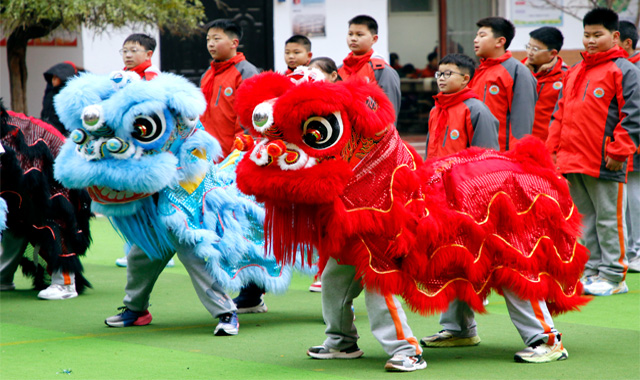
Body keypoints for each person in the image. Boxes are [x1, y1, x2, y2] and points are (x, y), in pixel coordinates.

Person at [546, 7, 640, 296]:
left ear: (615, 36)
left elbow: (634, 115)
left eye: (597, 35)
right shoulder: (575, 71)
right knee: (584, 220)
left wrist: (619, 151)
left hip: (605, 161)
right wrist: (552, 153)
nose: (589, 40)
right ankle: (592, 271)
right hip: (572, 160)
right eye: (586, 35)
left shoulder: (624, 70)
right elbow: (558, 116)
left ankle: (614, 276)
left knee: (610, 219)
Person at [114, 33, 173, 269]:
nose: (127, 55)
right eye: (124, 50)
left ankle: (159, 248)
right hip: (127, 149)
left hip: (150, 151)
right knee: (132, 200)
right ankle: (135, 248)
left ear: (148, 54)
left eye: (133, 50)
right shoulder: (119, 78)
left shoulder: (153, 79)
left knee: (153, 200)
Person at [470, 17, 537, 151]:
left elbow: (522, 121)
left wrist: (515, 156)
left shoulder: (517, 72)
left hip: (501, 155)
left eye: (482, 36)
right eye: (476, 35)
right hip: (475, 155)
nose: (475, 40)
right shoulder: (478, 72)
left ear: (500, 41)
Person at [199, 19, 259, 159]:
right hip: (207, 155)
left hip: (232, 155)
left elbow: (248, 120)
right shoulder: (207, 74)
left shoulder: (246, 72)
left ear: (234, 43)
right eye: (208, 39)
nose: (211, 44)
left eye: (216, 39)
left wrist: (237, 153)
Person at [426, 53, 499, 158]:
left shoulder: (476, 110)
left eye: (447, 74)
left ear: (465, 79)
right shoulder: (436, 109)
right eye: (439, 74)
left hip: (462, 173)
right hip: (435, 172)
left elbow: (485, 155)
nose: (441, 78)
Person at [338, 15, 401, 121]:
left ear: (374, 39)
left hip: (372, 133)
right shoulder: (339, 70)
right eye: (350, 34)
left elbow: (390, 110)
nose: (353, 38)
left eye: (359, 34)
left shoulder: (382, 70)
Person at [618, 20, 640, 273]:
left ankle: (637, 250)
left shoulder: (633, 69)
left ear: (626, 43)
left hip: (634, 142)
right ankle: (632, 250)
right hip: (624, 143)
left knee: (634, 198)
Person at [522, 27, 567, 142]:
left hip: (548, 143)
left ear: (552, 53)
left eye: (536, 49)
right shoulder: (519, 71)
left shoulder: (565, 77)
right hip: (520, 141)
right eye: (528, 46)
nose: (530, 52)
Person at [41, 61, 83, 136]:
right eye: (52, 77)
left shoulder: (71, 94)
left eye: (56, 77)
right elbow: (45, 111)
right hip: (49, 130)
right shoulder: (50, 91)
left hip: (64, 134)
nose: (53, 80)